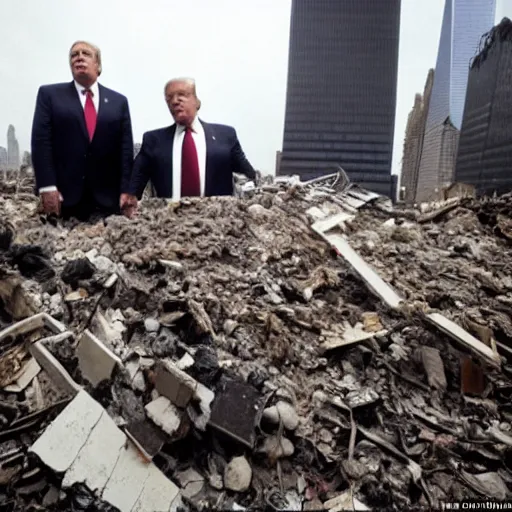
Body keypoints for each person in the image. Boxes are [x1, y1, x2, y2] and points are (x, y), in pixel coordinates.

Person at [31, 40, 134, 220]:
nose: (79, 58)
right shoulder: (50, 96)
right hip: (63, 200)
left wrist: (127, 190)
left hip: (107, 202)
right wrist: (47, 186)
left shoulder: (119, 102)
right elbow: (41, 142)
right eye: (74, 55)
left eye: (85, 54)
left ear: (98, 65)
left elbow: (125, 150)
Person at [126, 77, 257, 211]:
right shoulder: (153, 140)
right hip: (169, 225)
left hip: (216, 224)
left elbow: (249, 177)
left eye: (182, 94)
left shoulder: (225, 136)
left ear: (197, 101)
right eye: (169, 98)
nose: (175, 101)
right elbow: (132, 188)